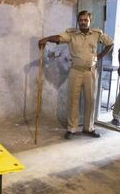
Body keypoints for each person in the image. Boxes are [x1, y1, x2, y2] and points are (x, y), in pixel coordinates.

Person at [39, 10, 113, 139]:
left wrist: (99, 56)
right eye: (81, 20)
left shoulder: (97, 34)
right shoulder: (72, 34)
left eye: (86, 20)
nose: (83, 22)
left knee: (91, 100)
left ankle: (88, 128)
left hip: (90, 72)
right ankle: (71, 128)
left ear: (90, 21)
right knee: (73, 99)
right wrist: (45, 39)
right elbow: (58, 38)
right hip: (76, 71)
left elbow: (110, 44)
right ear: (78, 21)